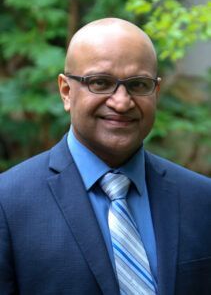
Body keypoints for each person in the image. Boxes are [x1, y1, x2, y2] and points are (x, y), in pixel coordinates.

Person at [0, 18, 211, 295]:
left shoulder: (201, 199)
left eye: (137, 85)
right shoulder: (8, 203)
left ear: (156, 92)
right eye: (100, 82)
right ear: (66, 91)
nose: (122, 102)